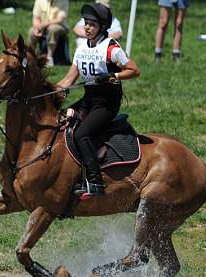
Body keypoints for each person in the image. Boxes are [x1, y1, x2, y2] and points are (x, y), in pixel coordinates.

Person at [57, 3, 140, 197]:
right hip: (88, 100)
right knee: (62, 122)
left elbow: (135, 70)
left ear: (102, 27)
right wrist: (52, 91)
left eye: (92, 25)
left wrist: (113, 77)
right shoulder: (81, 48)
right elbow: (69, 79)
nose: (87, 27)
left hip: (106, 104)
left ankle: (95, 182)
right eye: (86, 23)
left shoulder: (111, 48)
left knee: (81, 135)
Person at [28, 0, 68, 67]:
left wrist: (44, 24)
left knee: (52, 29)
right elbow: (35, 18)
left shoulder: (63, 1)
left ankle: (49, 58)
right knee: (31, 31)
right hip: (42, 26)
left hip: (59, 25)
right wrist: (37, 28)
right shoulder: (39, 1)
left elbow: (60, 19)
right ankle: (29, 56)